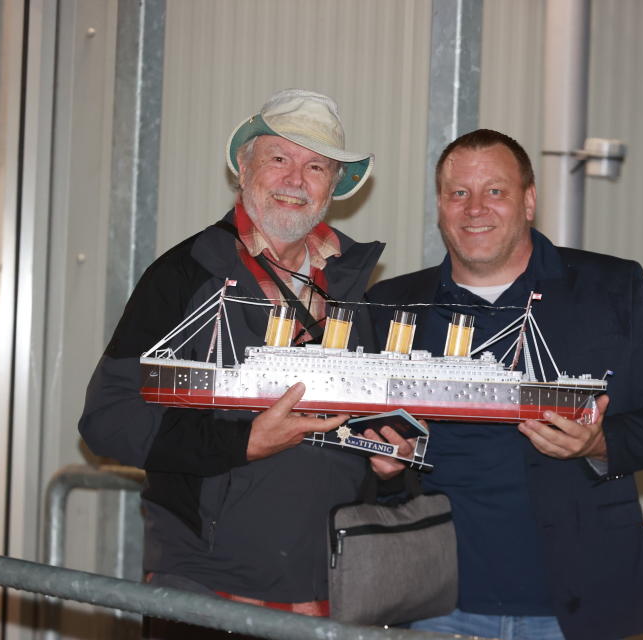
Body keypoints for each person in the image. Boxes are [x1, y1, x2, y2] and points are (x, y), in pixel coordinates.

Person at [79, 89, 408, 638]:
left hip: (331, 601)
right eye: (279, 158)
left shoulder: (354, 287)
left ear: (334, 187)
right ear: (244, 170)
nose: (295, 179)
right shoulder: (186, 275)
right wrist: (244, 443)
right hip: (208, 600)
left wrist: (390, 467)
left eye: (316, 166)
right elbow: (108, 419)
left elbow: (371, 423)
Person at [367, 129, 643, 640]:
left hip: (579, 610)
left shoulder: (610, 288)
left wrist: (601, 442)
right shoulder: (390, 304)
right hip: (433, 604)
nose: (475, 208)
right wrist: (381, 461)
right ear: (441, 205)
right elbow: (348, 445)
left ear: (528, 201)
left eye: (495, 191)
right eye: (459, 193)